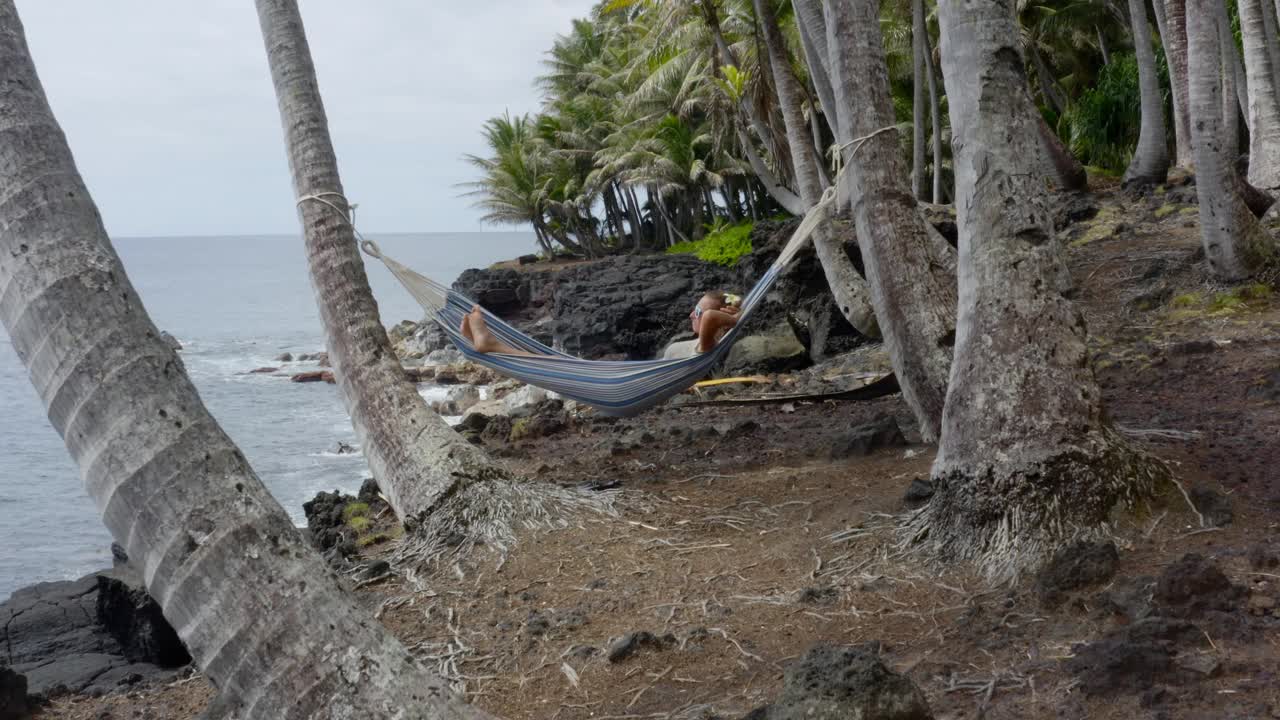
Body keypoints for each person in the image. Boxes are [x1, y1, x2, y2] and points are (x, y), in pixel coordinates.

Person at [460, 305, 539, 356]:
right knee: (548, 360)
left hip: (550, 368)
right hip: (549, 366)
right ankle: (480, 341)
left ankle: (493, 346)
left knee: (549, 363)